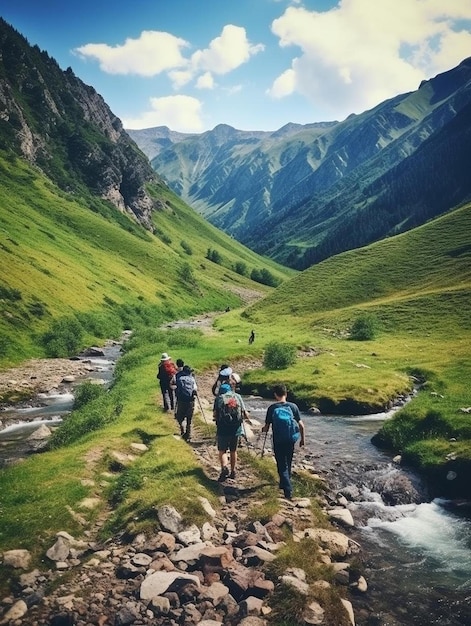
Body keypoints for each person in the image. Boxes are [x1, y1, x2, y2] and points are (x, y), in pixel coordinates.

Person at [262, 383, 305, 500]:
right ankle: (285, 483)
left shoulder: (272, 408)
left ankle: (288, 490)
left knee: (281, 465)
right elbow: (301, 425)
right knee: (288, 461)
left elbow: (266, 427)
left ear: (275, 395)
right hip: (291, 439)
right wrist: (302, 440)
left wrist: (263, 430)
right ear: (286, 394)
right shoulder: (293, 407)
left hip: (278, 439)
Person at [213, 381, 247, 482]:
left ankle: (224, 468)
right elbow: (244, 413)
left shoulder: (219, 399)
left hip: (223, 428)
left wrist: (216, 419)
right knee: (233, 450)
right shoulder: (237, 397)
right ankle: (233, 471)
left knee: (222, 450)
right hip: (236, 429)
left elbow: (215, 414)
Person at [174, 365, 197, 441]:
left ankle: (182, 431)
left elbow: (176, 388)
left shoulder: (179, 378)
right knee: (189, 419)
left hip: (181, 401)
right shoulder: (191, 379)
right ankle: (188, 434)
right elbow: (195, 389)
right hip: (190, 401)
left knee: (180, 417)